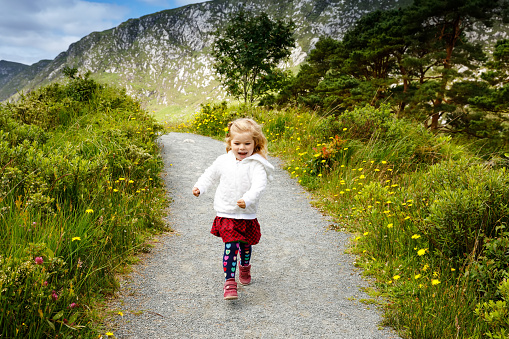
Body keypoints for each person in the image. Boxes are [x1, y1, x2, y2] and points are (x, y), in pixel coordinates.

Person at [192, 118, 274, 300]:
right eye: (237, 143)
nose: (242, 148)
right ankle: (229, 282)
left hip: (246, 214)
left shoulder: (257, 165)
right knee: (231, 246)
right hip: (226, 212)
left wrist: (247, 199)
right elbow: (210, 175)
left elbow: (259, 186)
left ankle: (245, 268)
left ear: (255, 143)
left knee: (245, 245)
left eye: (247, 143)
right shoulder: (223, 161)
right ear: (230, 142)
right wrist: (200, 187)